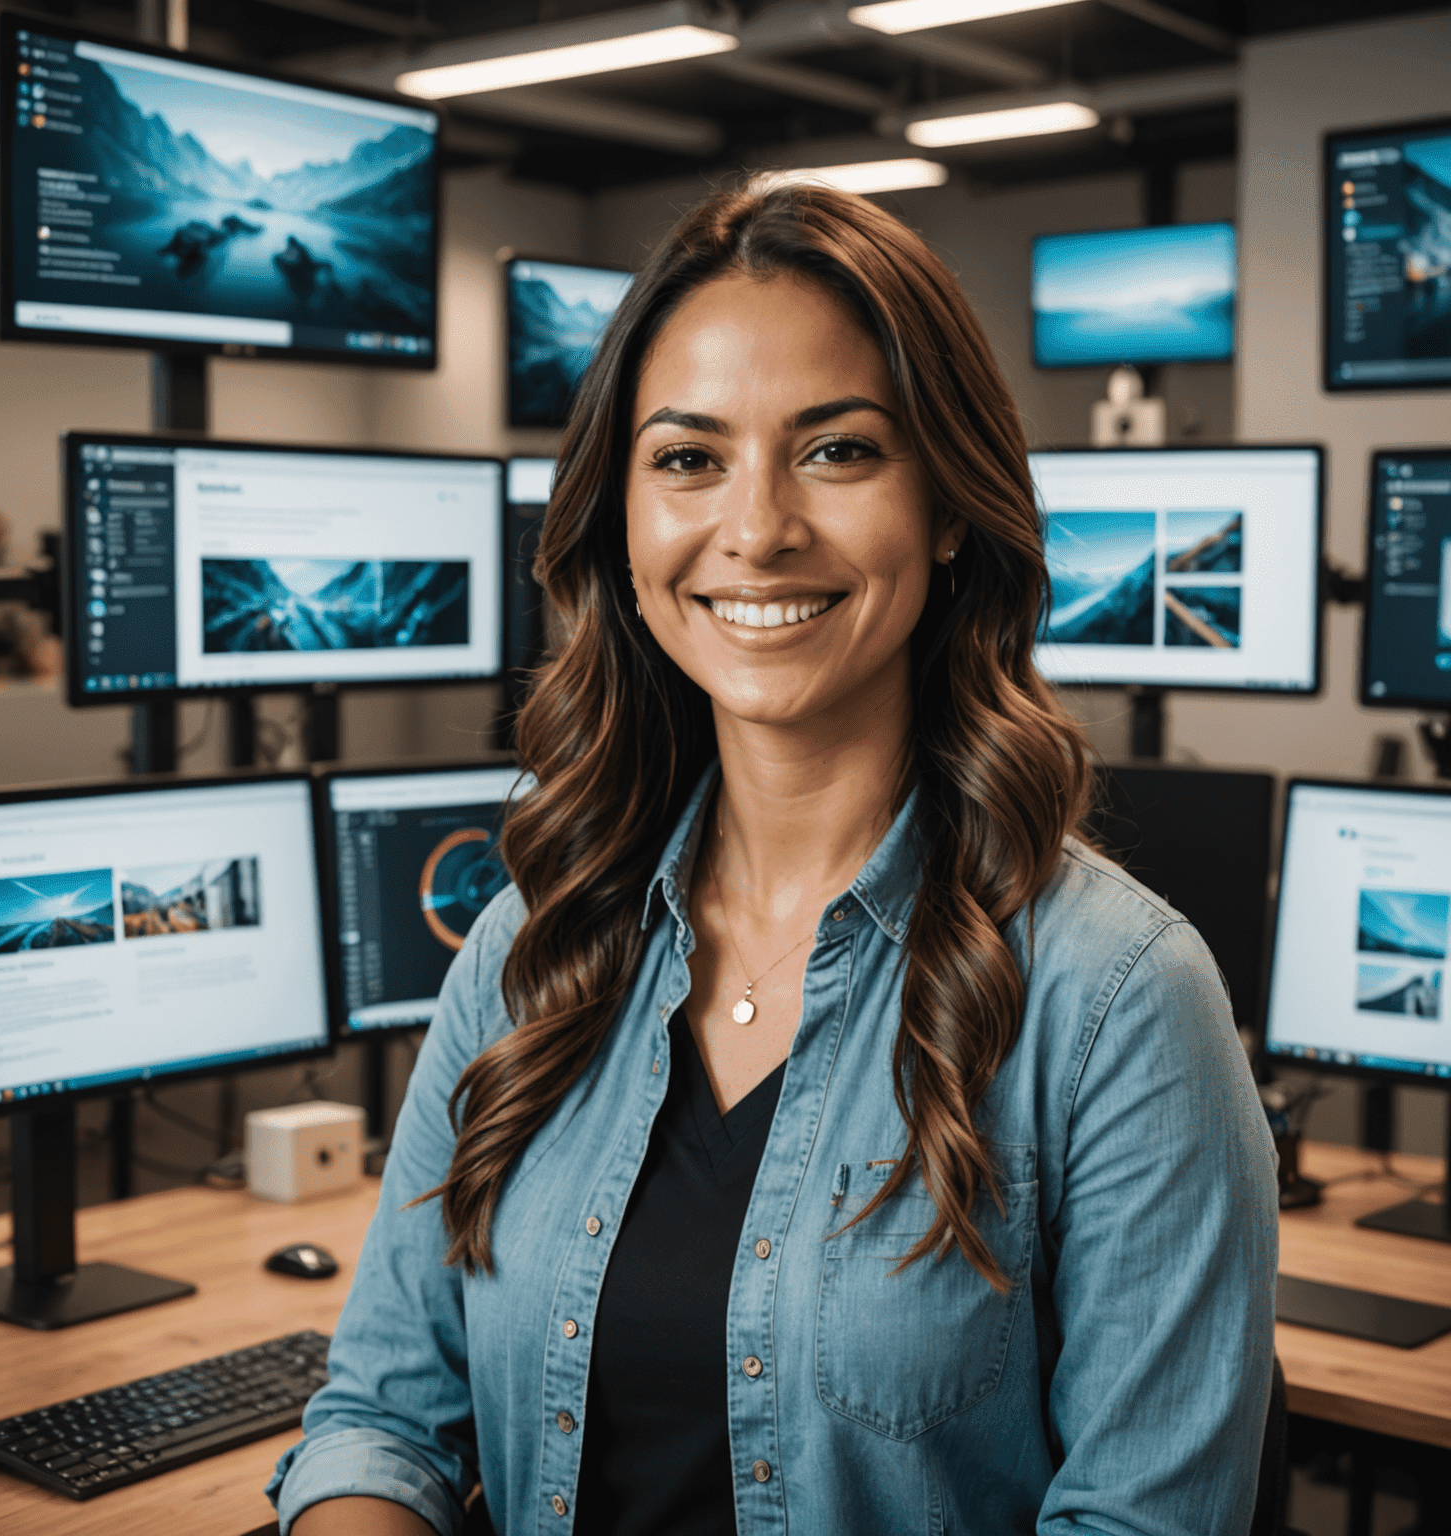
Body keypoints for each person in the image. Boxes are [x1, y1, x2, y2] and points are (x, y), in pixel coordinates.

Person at [270, 182, 1278, 1536]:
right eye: (689, 459)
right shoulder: (530, 948)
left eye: (838, 452)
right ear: (620, 524)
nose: (756, 530)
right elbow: (380, 1421)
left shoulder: (1117, 998)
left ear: (951, 506)